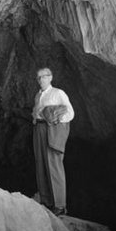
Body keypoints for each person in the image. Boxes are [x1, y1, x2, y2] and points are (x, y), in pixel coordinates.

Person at [32, 67, 74, 216]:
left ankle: (60, 205)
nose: (40, 80)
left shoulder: (58, 93)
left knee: (54, 165)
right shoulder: (38, 95)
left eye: (43, 77)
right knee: (41, 163)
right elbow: (36, 112)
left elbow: (70, 112)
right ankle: (46, 200)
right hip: (38, 129)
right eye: (38, 77)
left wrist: (56, 121)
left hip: (51, 130)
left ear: (50, 77)